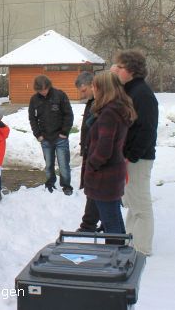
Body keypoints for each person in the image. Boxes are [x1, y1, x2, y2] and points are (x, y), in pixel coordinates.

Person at [110, 50, 159, 256]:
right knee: (131, 202)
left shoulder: (142, 94)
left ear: (131, 70)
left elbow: (147, 128)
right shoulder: (130, 90)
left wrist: (132, 154)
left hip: (138, 158)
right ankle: (131, 240)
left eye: (120, 67)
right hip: (129, 156)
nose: (116, 70)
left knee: (140, 204)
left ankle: (142, 248)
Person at [83, 71, 137, 235]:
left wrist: (91, 166)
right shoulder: (116, 108)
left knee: (111, 223)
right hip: (111, 174)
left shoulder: (109, 113)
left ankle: (117, 257)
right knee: (113, 219)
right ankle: (121, 254)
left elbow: (104, 149)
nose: (92, 89)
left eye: (94, 86)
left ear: (102, 88)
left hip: (104, 176)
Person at [28, 75, 75, 195]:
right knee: (49, 164)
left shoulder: (60, 95)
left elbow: (68, 115)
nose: (43, 92)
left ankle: (66, 186)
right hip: (45, 138)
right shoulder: (34, 99)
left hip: (60, 137)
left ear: (49, 86)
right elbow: (32, 119)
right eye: (40, 90)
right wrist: (38, 134)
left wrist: (64, 132)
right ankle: (50, 183)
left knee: (63, 164)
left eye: (45, 89)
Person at [75, 71, 100, 232]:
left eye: (84, 90)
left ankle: (89, 224)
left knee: (95, 189)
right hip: (90, 151)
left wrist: (95, 156)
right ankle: (92, 223)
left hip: (97, 154)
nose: (82, 94)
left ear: (93, 85)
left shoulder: (102, 103)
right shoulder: (92, 102)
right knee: (93, 189)